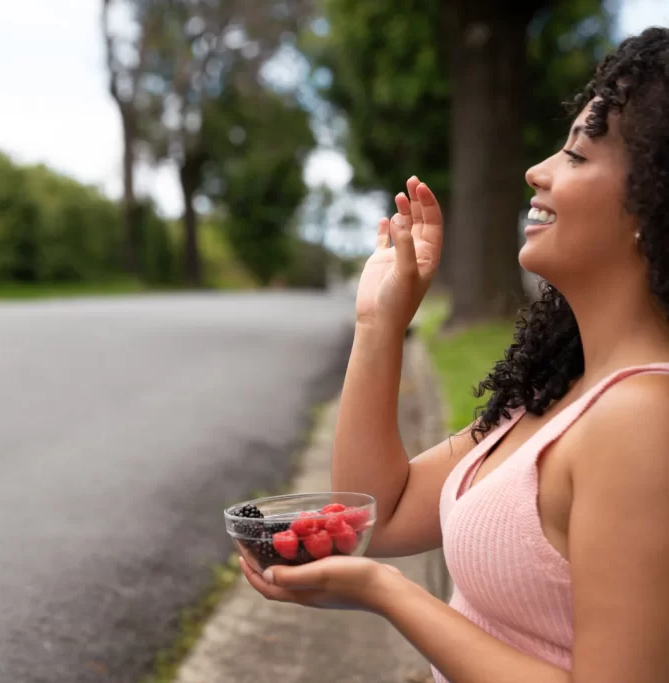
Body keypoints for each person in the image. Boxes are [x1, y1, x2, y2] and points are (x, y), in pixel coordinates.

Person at [240, 26, 669, 683]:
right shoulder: (561, 390)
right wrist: (380, 322)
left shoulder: (642, 420)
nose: (540, 169)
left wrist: (387, 593)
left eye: (578, 156)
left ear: (655, 201)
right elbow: (380, 510)